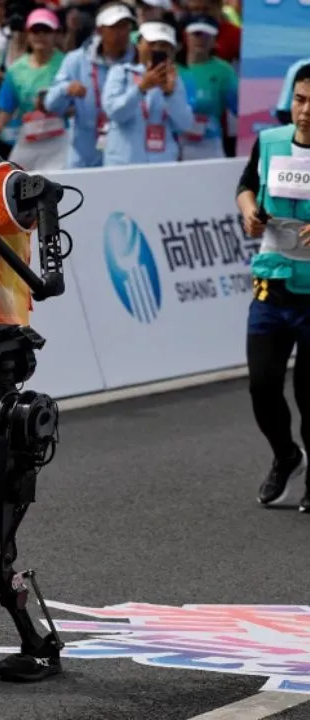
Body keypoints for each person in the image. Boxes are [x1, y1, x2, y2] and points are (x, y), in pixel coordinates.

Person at [235, 62, 310, 513]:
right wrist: (249, 209)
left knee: (309, 394)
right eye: (301, 100)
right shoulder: (270, 142)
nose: (306, 112)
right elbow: (246, 186)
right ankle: (286, 456)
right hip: (272, 287)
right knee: (262, 385)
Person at [44, 2, 138, 168]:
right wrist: (66, 89)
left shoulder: (138, 61)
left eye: (125, 26)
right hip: (83, 156)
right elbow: (51, 104)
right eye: (115, 27)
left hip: (126, 156)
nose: (121, 33)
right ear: (100, 30)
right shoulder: (76, 60)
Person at [101, 21, 195, 166]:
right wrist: (141, 89)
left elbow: (185, 124)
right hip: (123, 164)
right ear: (138, 44)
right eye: (152, 43)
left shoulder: (175, 79)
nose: (157, 49)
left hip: (162, 164)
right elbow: (114, 113)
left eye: (164, 46)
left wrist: (170, 95)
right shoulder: (121, 72)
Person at [0, 9, 67, 171]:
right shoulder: (16, 70)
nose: (40, 35)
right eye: (35, 30)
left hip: (61, 138)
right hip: (29, 137)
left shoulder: (67, 64)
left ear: (56, 34)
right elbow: (7, 107)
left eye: (46, 30)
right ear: (27, 34)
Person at [176, 15, 237, 161]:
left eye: (207, 35)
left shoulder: (223, 71)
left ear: (215, 40)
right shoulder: (174, 68)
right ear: (186, 36)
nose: (201, 40)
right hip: (176, 143)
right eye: (196, 34)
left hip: (209, 143)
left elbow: (239, 106)